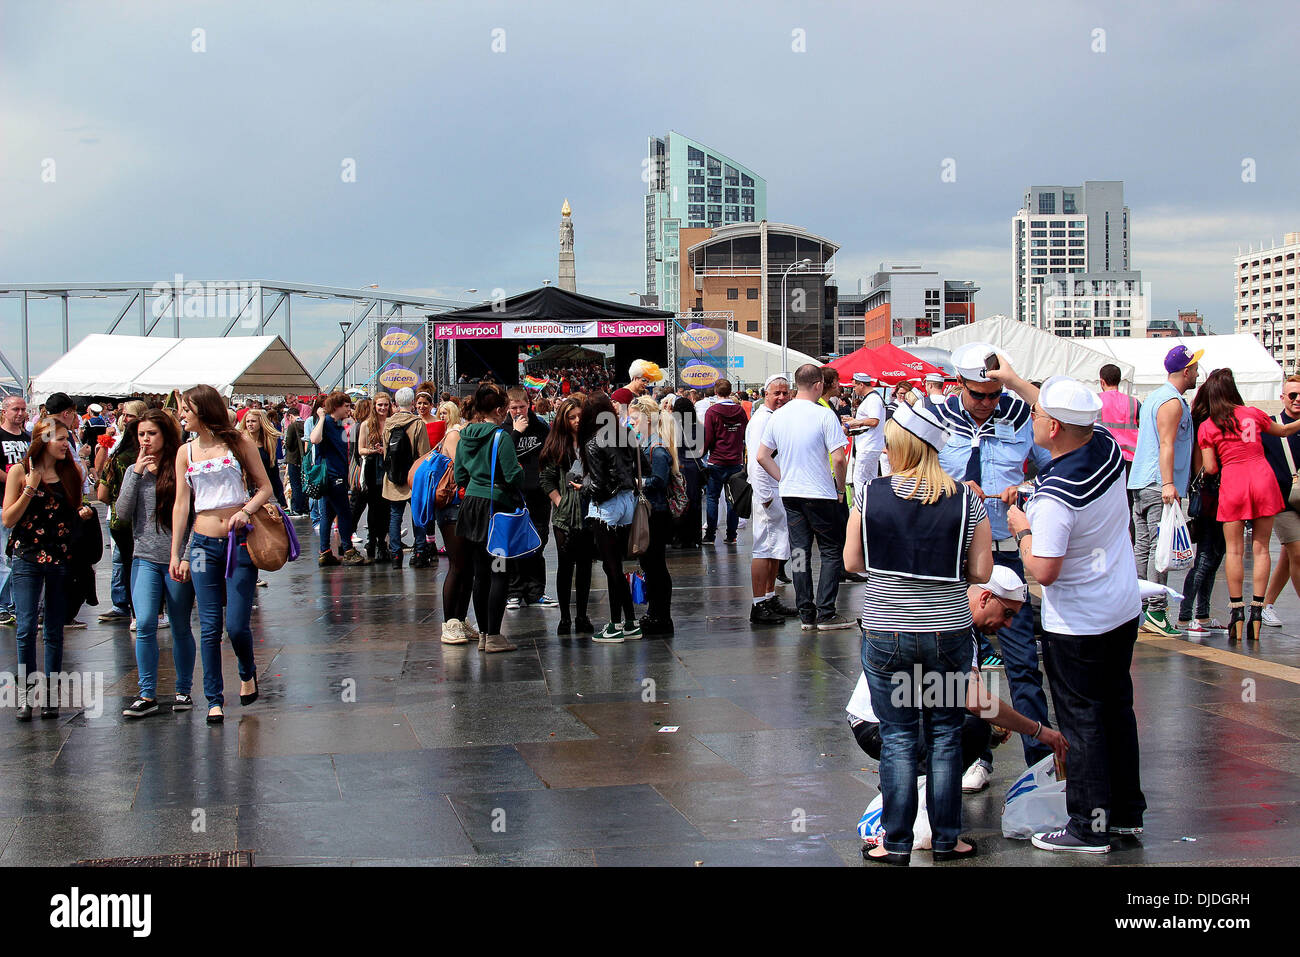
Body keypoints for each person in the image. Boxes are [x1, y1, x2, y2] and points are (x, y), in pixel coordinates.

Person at [843, 401, 992, 864]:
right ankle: (949, 838)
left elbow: (852, 563)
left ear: (900, 446)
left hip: (888, 631)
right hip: (947, 632)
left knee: (899, 735)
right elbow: (983, 569)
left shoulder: (870, 493)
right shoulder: (966, 498)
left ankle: (897, 841)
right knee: (946, 733)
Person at [1007, 376, 1144, 854]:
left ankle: (1088, 825)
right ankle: (1126, 814)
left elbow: (1044, 570)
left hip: (1078, 625)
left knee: (1082, 721)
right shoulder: (1104, 447)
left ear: (1057, 427)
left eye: (1040, 415)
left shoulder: (1055, 495)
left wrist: (1022, 529)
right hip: (1121, 609)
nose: (1033, 418)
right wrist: (1011, 378)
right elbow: (1064, 411)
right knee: (1116, 711)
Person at [932, 341, 1053, 792]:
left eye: (994, 393)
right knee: (960, 664)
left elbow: (1052, 465)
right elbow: (907, 473)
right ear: (959, 384)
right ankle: (974, 756)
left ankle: (1040, 762)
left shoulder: (1022, 416)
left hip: (1005, 548)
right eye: (978, 393)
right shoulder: (933, 417)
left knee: (1022, 659)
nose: (987, 402)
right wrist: (950, 487)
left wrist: (1024, 487)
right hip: (955, 554)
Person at [846, 566, 1069, 796]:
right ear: (985, 598)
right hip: (878, 725)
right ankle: (903, 793)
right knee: (973, 730)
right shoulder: (957, 627)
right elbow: (976, 701)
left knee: (975, 723)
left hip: (878, 719)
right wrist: (1038, 730)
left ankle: (910, 793)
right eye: (1007, 614)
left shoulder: (951, 612)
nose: (1008, 624)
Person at [172, 383, 275, 725]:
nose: (181, 415)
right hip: (202, 544)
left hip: (239, 542)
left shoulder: (237, 442)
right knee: (209, 625)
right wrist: (178, 552)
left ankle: (248, 670)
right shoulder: (185, 452)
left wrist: (246, 511)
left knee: (236, 626)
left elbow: (265, 487)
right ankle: (214, 698)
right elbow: (181, 504)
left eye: (186, 409)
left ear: (202, 410)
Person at [1197, 368, 1300, 642]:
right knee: (1262, 548)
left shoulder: (1208, 426)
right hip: (1263, 478)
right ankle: (1258, 609)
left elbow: (1210, 467)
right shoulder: (1253, 413)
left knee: (1234, 551)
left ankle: (1236, 613)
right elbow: (1283, 430)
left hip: (1233, 482)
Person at [2, 417, 93, 719]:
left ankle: (52, 696)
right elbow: (8, 519)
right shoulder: (20, 471)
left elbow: (75, 512)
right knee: (26, 628)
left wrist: (83, 513)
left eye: (68, 439)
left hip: (60, 559)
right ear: (42, 440)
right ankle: (27, 696)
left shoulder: (71, 473)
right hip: (27, 556)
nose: (67, 444)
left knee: (54, 630)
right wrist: (30, 488)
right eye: (61, 439)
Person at [755, 363, 853, 631]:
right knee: (831, 551)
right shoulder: (824, 415)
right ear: (819, 385)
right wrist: (841, 489)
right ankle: (826, 612)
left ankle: (806, 613)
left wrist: (782, 478)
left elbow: (762, 456)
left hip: (791, 493)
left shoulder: (779, 415)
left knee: (799, 552)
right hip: (820, 493)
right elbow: (839, 458)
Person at [118, 410, 197, 718]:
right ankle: (147, 692)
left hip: (175, 557)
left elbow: (192, 516)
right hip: (145, 558)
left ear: (165, 434)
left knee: (180, 625)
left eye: (151, 434)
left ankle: (183, 689)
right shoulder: (133, 471)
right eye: (141, 435)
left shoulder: (180, 467)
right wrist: (136, 474)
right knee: (146, 622)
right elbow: (123, 514)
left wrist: (187, 555)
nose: (146, 440)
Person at [1128, 344, 1200, 639]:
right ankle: (1156, 610)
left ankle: (1138, 607)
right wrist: (1169, 483)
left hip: (1142, 481)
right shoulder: (1172, 402)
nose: (1197, 373)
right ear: (1186, 371)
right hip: (1158, 484)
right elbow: (1167, 444)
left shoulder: (1155, 398)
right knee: (1160, 548)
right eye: (1195, 368)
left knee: (1143, 547)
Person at [453, 385, 524, 653]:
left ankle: (484, 634)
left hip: (470, 506)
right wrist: (516, 470)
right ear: (498, 410)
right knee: (499, 572)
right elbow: (512, 476)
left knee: (480, 574)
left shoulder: (464, 435)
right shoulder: (500, 437)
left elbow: (460, 476)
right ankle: (494, 635)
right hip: (494, 508)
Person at [580, 391, 646, 643]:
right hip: (627, 502)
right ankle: (629, 621)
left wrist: (581, 487)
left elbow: (597, 485)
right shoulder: (626, 434)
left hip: (605, 506)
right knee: (616, 565)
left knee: (611, 567)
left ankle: (616, 624)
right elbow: (643, 469)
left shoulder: (594, 442)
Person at [540, 395, 594, 635]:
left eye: (580, 416)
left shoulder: (592, 442)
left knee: (585, 566)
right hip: (564, 517)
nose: (576, 421)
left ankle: (582, 615)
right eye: (571, 417)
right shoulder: (556, 446)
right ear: (563, 420)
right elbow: (546, 479)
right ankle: (564, 617)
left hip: (589, 511)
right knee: (565, 566)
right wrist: (559, 501)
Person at [1177, 381, 1227, 637]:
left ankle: (1202, 614)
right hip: (1211, 495)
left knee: (1213, 557)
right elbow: (1208, 467)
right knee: (1207, 557)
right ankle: (1187, 616)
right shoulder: (1208, 426)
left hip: (1207, 495)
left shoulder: (1201, 422)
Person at [746, 374, 796, 625]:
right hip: (767, 493)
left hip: (776, 492)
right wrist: (765, 496)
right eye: (776, 393)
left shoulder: (775, 419)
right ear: (766, 394)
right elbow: (757, 461)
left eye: (785, 393)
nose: (781, 397)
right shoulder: (761, 421)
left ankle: (768, 596)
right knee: (764, 549)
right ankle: (758, 604)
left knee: (776, 549)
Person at [504, 387, 555, 610]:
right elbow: (499, 459)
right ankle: (514, 590)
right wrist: (515, 432)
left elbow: (551, 456)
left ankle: (536, 591)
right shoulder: (502, 430)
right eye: (513, 408)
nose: (518, 411)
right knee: (514, 543)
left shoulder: (541, 427)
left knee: (538, 541)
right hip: (513, 495)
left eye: (521, 407)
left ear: (529, 405)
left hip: (538, 494)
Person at [631, 396, 677, 636]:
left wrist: (636, 482)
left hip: (656, 514)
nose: (632, 422)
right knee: (652, 565)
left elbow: (658, 481)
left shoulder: (656, 448)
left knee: (656, 565)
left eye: (635, 418)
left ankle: (661, 615)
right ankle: (656, 613)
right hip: (653, 511)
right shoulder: (649, 443)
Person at [1261, 374, 1300, 627]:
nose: (1297, 400)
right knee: (1298, 552)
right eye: (1293, 395)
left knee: (1289, 555)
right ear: (1282, 397)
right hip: (1284, 501)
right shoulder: (1272, 427)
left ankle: (1266, 605)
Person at [94, 417, 141, 625]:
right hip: (143, 522)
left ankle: (129, 609)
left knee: (126, 564)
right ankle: (145, 609)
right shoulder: (148, 458)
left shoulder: (116, 459)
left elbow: (102, 494)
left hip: (118, 520)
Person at [311, 392, 366, 567]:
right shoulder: (326, 422)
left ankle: (325, 551)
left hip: (338, 473)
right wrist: (321, 418)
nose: (349, 409)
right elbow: (314, 439)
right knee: (344, 513)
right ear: (337, 407)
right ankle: (348, 550)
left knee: (327, 514)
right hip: (333, 476)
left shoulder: (340, 424)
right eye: (346, 406)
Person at [381, 387, 432, 568]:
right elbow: (424, 453)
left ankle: (395, 555)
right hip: (414, 477)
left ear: (395, 403)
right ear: (412, 403)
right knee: (417, 515)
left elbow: (386, 452)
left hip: (394, 477)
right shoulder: (417, 423)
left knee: (395, 516)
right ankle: (419, 552)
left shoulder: (388, 424)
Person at [702, 379, 748, 545]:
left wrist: (703, 453)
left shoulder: (712, 412)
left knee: (713, 498)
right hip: (735, 461)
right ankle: (731, 534)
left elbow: (708, 437)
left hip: (717, 461)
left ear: (716, 392)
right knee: (732, 499)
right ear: (730, 391)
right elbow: (745, 433)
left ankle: (710, 535)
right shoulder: (740, 411)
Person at [0, 395, 31, 627]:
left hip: (25, 504)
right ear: (4, 411)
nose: (19, 413)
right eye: (15, 409)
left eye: (22, 409)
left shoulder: (28, 438)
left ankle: (13, 603)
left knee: (15, 556)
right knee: (3, 557)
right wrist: (16, 481)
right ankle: (3, 605)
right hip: (4, 502)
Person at [353, 392, 393, 561]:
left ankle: (382, 543)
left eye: (385, 405)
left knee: (385, 508)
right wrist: (374, 450)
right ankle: (373, 541)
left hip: (387, 466)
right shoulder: (366, 424)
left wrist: (387, 450)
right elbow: (360, 449)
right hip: (371, 466)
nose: (383, 408)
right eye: (380, 405)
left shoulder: (392, 423)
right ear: (374, 406)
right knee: (374, 506)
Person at [845, 372, 885, 509]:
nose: (853, 389)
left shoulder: (873, 399)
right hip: (869, 445)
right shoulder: (872, 399)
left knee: (860, 480)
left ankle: (861, 510)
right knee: (868, 480)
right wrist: (855, 421)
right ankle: (868, 508)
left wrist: (854, 423)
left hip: (868, 446)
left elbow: (874, 421)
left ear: (861, 384)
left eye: (854, 386)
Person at [672, 394, 704, 549]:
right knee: (695, 503)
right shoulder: (698, 427)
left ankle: (680, 536)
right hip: (694, 468)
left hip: (679, 467)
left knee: (680, 503)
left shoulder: (674, 428)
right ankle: (695, 536)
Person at [1097, 363, 1141, 466]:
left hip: (1104, 457)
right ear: (1119, 380)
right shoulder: (1133, 402)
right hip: (1130, 459)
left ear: (1102, 382)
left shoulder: (1095, 401)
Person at [282, 409, 307, 515]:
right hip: (303, 458)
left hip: (293, 458)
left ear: (290, 416)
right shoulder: (305, 423)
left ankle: (297, 508)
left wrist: (285, 443)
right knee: (303, 483)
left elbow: (289, 444)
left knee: (295, 484)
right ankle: (305, 507)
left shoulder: (292, 426)